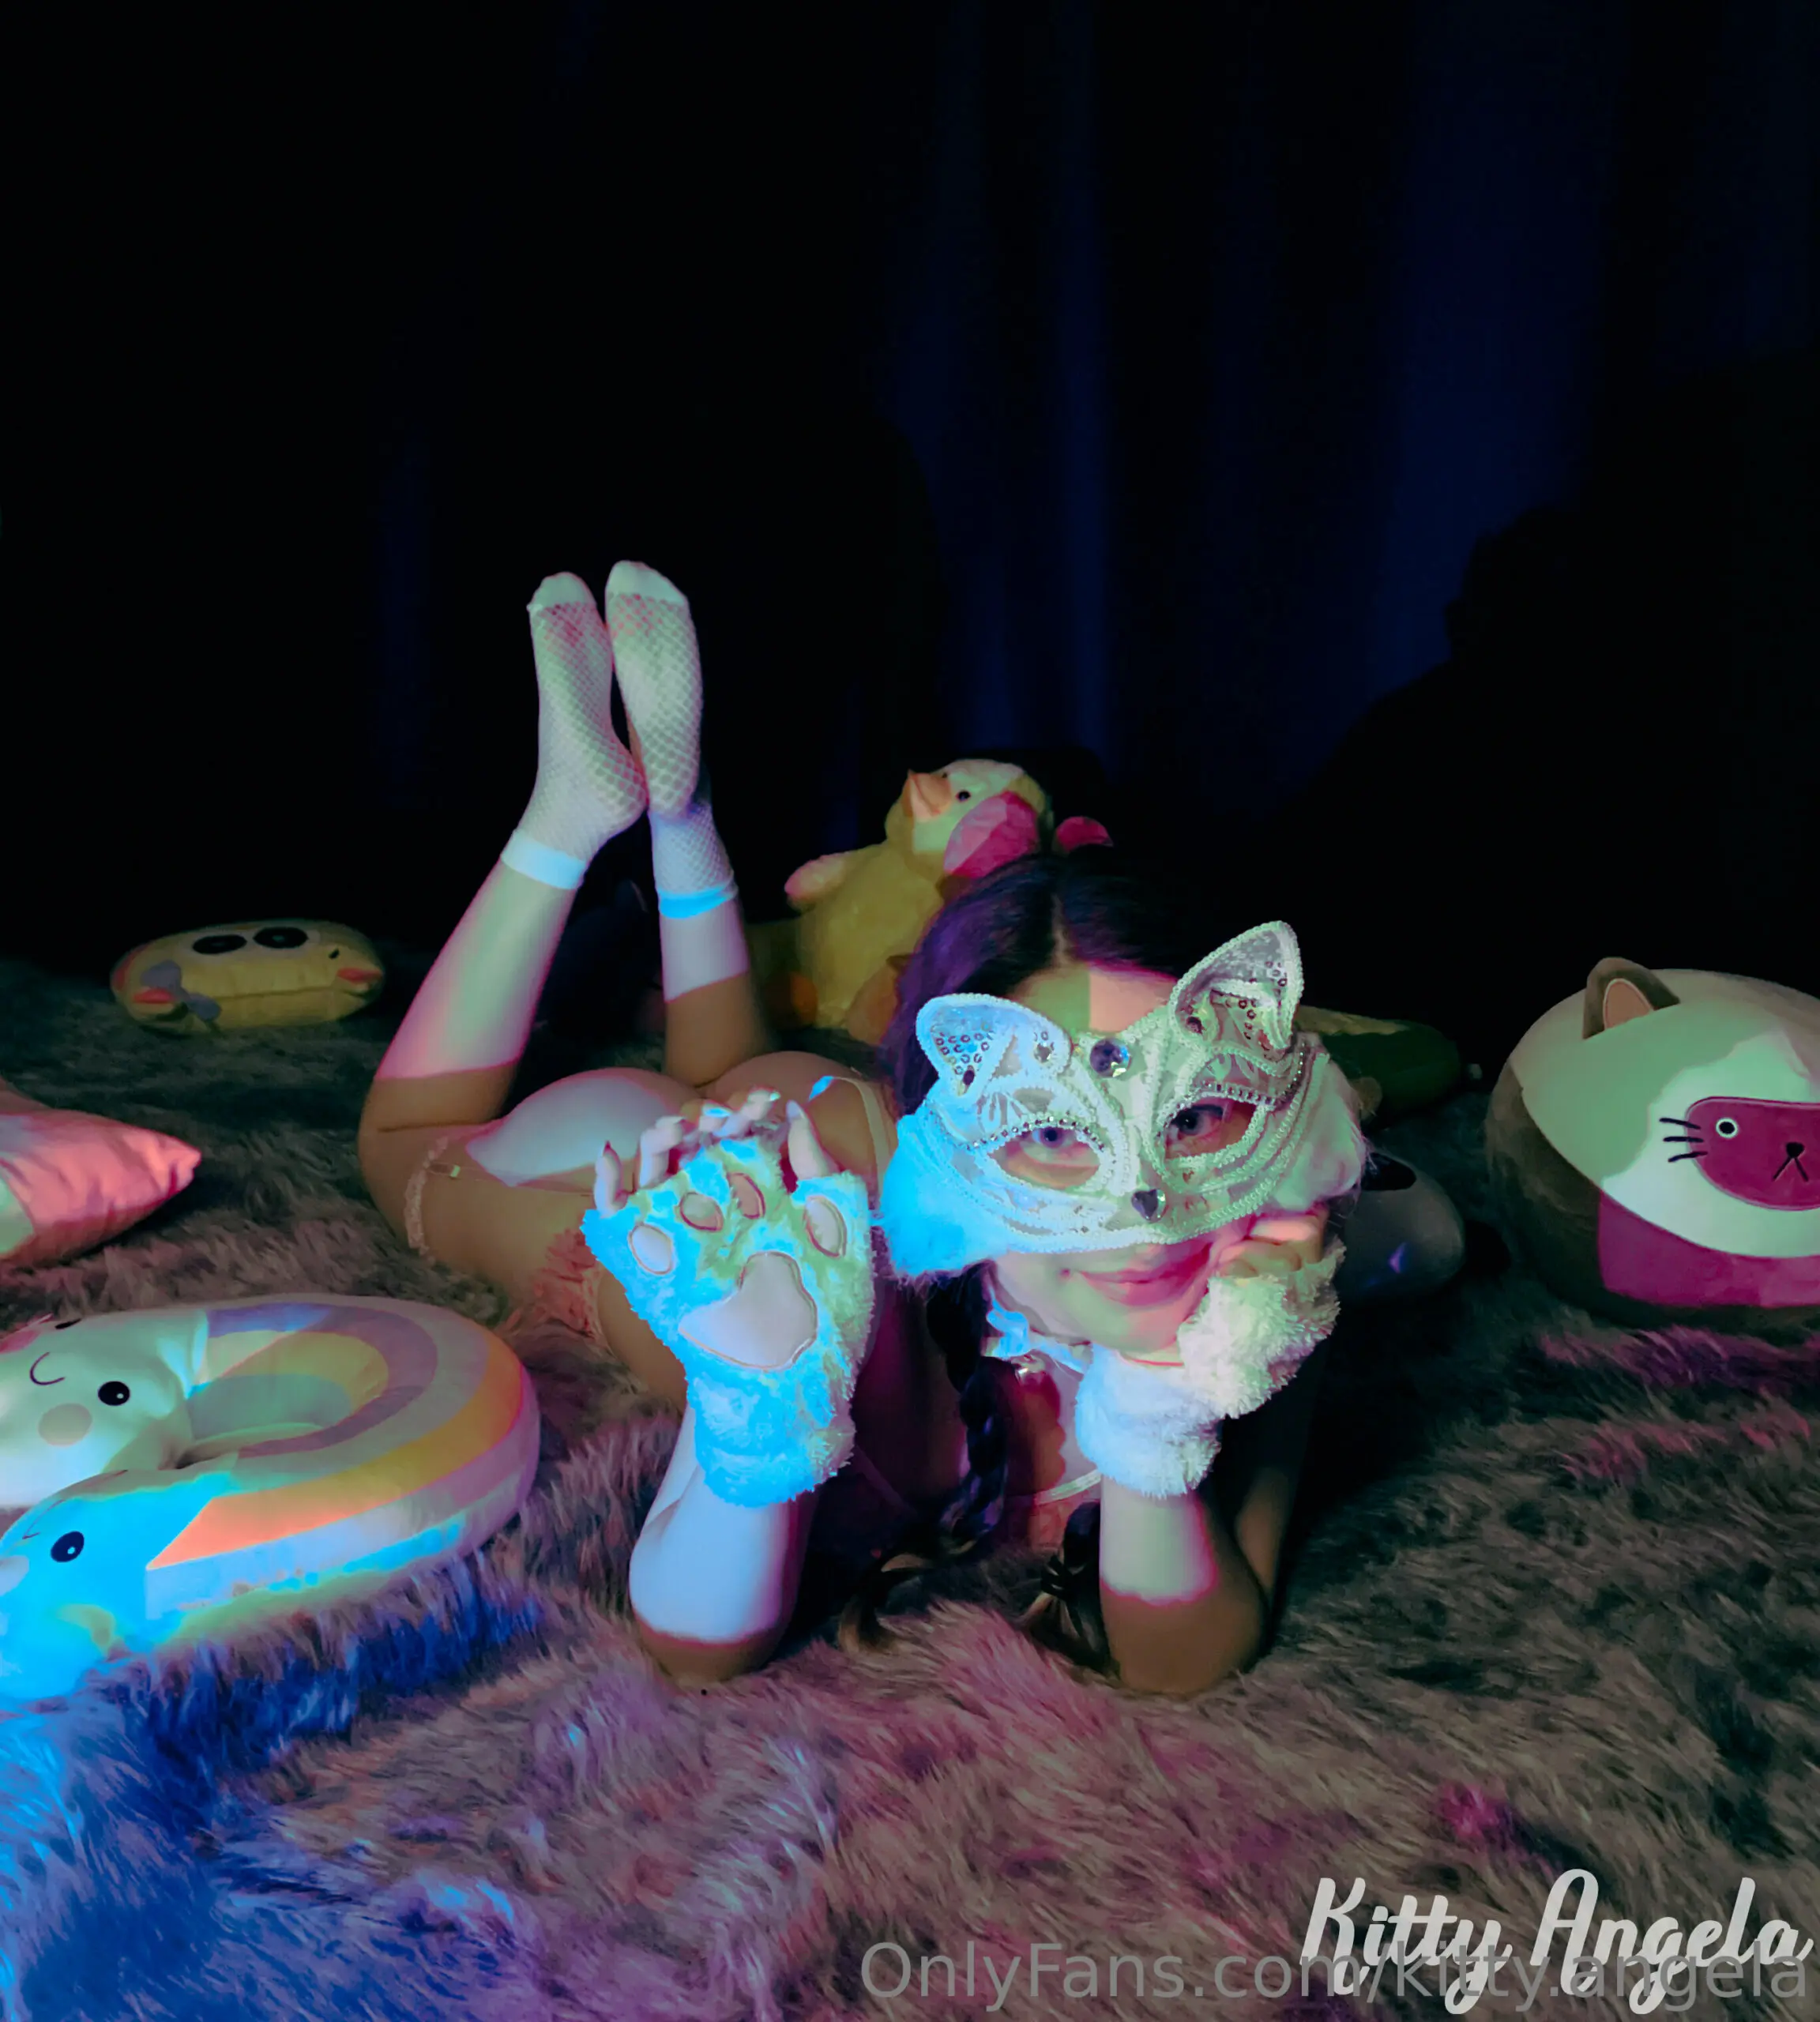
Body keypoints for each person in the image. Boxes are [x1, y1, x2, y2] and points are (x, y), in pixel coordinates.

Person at [359, 563, 1367, 1697]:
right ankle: (568, 816)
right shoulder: (794, 1247)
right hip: (729, 1157)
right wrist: (755, 1406)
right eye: (1056, 1134)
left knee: (725, 1068)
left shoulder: (1266, 1288)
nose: (1144, 1208)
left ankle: (686, 819)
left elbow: (1182, 1655)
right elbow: (697, 1647)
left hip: (809, 1115)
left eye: (1195, 1115)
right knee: (405, 1145)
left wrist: (1157, 1418)